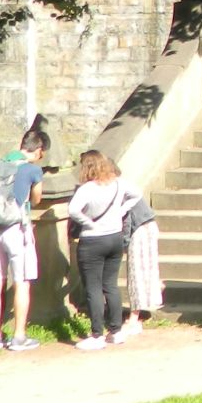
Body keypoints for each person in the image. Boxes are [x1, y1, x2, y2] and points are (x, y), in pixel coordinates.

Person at [0, 129, 47, 352]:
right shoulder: (32, 170)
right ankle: (19, 336)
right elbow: (36, 199)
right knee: (22, 282)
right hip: (17, 229)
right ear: (38, 150)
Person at [66, 149, 138, 350]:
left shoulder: (87, 189)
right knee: (111, 285)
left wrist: (88, 222)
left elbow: (73, 210)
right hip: (114, 238)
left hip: (92, 241)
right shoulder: (118, 184)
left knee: (93, 288)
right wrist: (121, 211)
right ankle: (116, 331)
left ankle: (97, 334)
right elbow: (137, 194)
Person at [120, 190, 162, 339]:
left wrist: (124, 243)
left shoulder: (118, 189)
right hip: (146, 226)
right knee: (141, 272)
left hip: (139, 230)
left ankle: (133, 320)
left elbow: (127, 219)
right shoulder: (122, 186)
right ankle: (137, 314)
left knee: (136, 274)